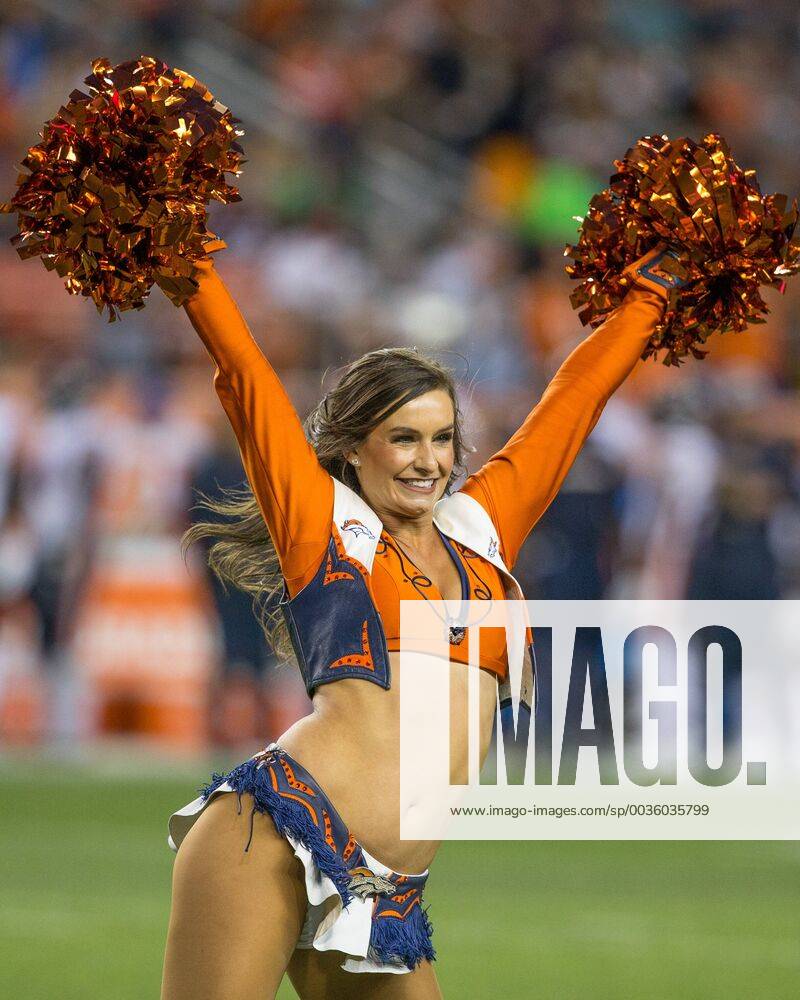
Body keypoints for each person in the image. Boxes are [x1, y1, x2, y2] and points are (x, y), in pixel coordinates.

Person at [160, 241, 680, 999]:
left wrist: (651, 300)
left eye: (441, 438)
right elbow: (246, 379)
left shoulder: (479, 530)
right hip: (273, 833)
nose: (427, 460)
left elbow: (574, 404)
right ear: (352, 449)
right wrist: (192, 272)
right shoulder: (323, 528)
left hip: (386, 891)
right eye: (402, 437)